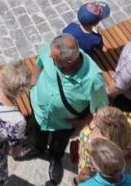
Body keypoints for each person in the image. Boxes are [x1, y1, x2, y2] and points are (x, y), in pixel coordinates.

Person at [23, 33, 108, 185]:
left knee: (59, 142)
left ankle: (55, 157)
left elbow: (101, 110)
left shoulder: (94, 79)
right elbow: (40, 61)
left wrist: (83, 122)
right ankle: (37, 147)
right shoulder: (53, 49)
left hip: (63, 123)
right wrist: (33, 82)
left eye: (54, 58)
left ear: (69, 61)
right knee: (38, 132)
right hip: (39, 109)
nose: (50, 57)